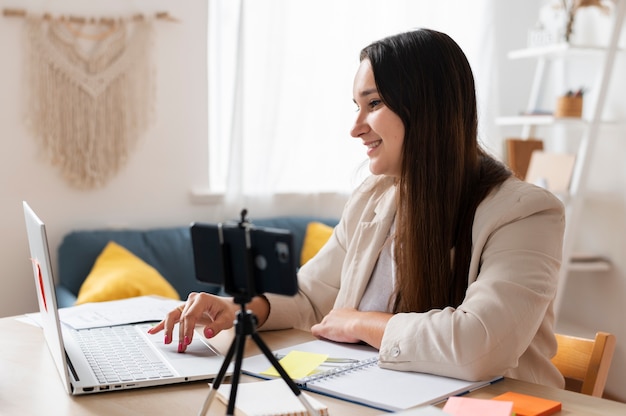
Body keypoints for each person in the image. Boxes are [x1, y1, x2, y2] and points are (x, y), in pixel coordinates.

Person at [148, 29, 566, 388]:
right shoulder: (373, 197)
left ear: (427, 108)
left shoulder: (525, 214)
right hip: (382, 397)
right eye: (356, 106)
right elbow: (313, 296)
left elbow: (478, 345)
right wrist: (242, 309)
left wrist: (360, 323)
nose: (355, 127)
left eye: (374, 104)